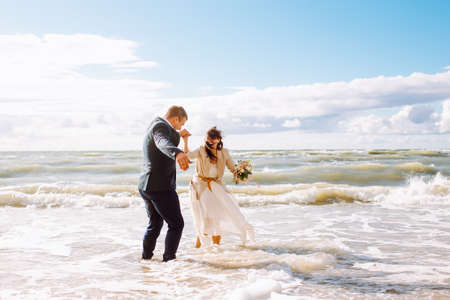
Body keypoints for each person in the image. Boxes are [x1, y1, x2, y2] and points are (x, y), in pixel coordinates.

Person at [183, 126, 254, 248]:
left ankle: (216, 250)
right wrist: (185, 140)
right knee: (205, 219)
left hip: (216, 187)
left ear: (218, 140)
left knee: (217, 218)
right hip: (202, 187)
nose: (210, 143)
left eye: (213, 140)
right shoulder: (201, 150)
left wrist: (242, 173)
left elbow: (233, 168)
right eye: (208, 140)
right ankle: (199, 249)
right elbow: (187, 156)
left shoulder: (224, 152)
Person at [138, 106, 191, 262]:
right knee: (177, 224)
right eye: (181, 124)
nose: (181, 127)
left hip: (146, 185)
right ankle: (169, 261)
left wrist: (179, 135)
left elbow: (166, 138)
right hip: (159, 187)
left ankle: (145, 259)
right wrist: (177, 152)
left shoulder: (156, 124)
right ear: (176, 119)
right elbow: (162, 142)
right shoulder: (160, 127)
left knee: (155, 224)